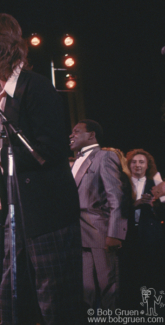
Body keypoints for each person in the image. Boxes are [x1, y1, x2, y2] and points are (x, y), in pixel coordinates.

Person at [0, 13, 82, 324]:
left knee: (56, 305)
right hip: (16, 218)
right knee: (12, 300)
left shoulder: (36, 87)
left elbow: (52, 148)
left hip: (48, 216)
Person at [69, 119, 128, 311]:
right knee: (87, 289)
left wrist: (115, 233)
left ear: (91, 135)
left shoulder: (104, 157)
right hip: (79, 234)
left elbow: (116, 197)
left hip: (101, 233)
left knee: (108, 287)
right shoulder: (76, 160)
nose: (71, 135)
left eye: (77, 131)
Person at [124, 149, 165, 293]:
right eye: (134, 162)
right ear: (129, 165)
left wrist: (154, 205)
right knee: (130, 274)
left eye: (141, 162)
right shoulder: (123, 184)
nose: (137, 165)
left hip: (150, 234)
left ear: (147, 165)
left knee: (151, 274)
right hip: (128, 234)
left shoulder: (156, 183)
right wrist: (135, 205)